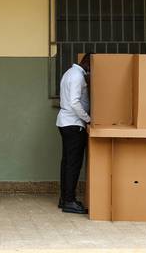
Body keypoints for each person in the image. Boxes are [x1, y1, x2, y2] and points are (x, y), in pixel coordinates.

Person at [56, 53, 92, 214]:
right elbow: (75, 102)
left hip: (66, 122)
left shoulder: (69, 73)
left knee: (67, 163)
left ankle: (65, 198)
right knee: (73, 164)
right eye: (92, 67)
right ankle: (69, 201)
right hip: (74, 124)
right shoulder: (77, 76)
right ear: (87, 63)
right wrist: (88, 119)